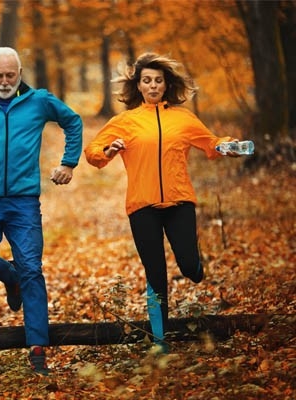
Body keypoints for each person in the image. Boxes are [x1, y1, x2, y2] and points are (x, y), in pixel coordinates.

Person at [84, 52, 244, 353]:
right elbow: (92, 151)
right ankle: (160, 340)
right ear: (139, 86)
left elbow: (210, 143)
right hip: (142, 207)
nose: (153, 85)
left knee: (189, 267)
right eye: (147, 80)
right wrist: (108, 150)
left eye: (158, 80)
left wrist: (227, 146)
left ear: (166, 84)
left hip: (179, 202)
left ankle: (195, 264)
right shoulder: (126, 121)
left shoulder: (183, 118)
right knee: (155, 272)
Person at [0, 47, 83, 375]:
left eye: (10, 75)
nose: (5, 81)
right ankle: (12, 278)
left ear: (19, 73)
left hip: (23, 200)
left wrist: (68, 162)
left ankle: (37, 350)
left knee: (32, 268)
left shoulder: (38, 100)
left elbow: (73, 121)